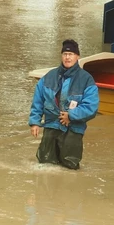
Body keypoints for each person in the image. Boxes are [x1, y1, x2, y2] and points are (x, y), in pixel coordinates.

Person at [28, 39, 100, 169]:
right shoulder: (49, 76)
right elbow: (38, 100)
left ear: (77, 56)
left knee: (70, 168)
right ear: (61, 56)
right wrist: (35, 122)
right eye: (65, 54)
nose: (67, 57)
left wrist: (71, 116)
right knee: (45, 165)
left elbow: (91, 107)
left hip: (73, 129)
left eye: (71, 54)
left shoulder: (86, 79)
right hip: (51, 126)